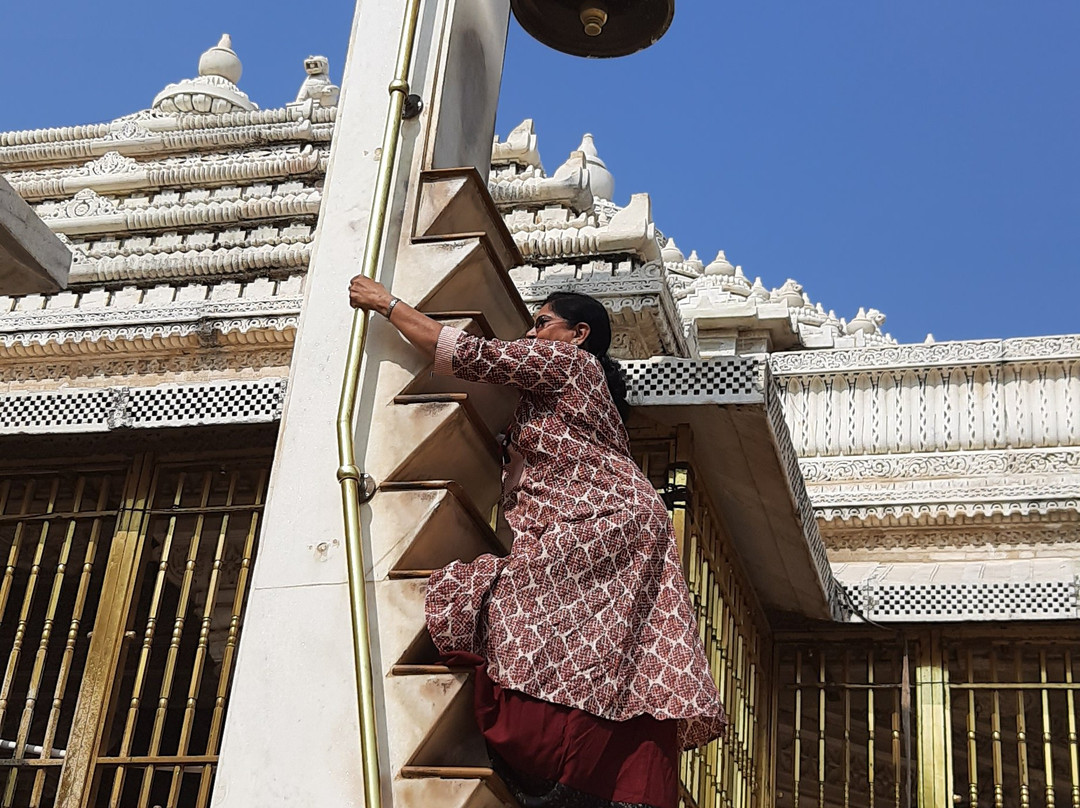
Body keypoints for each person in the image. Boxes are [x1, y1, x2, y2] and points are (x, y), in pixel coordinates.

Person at [349, 276, 727, 808]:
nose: (530, 333)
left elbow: (466, 353)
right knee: (604, 645)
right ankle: (590, 772)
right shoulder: (561, 388)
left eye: (541, 322)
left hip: (601, 516)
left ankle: (556, 757)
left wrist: (385, 304)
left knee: (508, 601)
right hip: (615, 518)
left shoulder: (571, 364)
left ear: (578, 334)